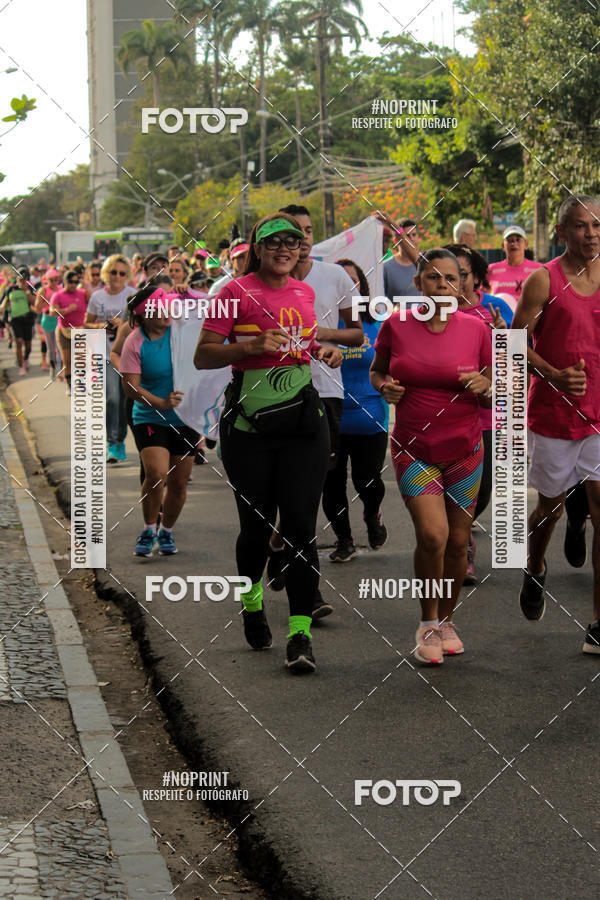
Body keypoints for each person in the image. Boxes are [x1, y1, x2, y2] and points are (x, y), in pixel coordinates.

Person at [194, 212, 342, 673]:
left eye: (293, 242)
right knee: (255, 529)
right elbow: (203, 355)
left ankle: (299, 636)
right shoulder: (230, 293)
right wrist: (250, 347)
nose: (284, 249)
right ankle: (253, 602)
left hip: (302, 421)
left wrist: (324, 350)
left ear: (301, 249)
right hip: (249, 428)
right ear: (257, 248)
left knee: (300, 528)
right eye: (274, 242)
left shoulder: (305, 292)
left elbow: (302, 344)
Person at [371, 248, 492, 665]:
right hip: (414, 449)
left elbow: (497, 381)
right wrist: (385, 386)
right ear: (417, 283)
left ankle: (447, 622)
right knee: (434, 536)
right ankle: (426, 621)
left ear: (464, 285)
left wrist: (485, 384)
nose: (443, 285)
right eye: (434, 277)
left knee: (459, 543)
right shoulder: (396, 324)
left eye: (451, 278)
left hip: (465, 451)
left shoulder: (476, 328)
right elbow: (378, 370)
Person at [265, 204, 363, 615]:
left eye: (306, 231)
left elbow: (357, 333)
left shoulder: (336, 276)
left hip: (326, 392)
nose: (301, 239)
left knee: (312, 487)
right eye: (291, 233)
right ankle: (276, 544)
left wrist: (322, 335)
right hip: (276, 394)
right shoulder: (259, 284)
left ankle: (309, 590)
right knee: (289, 492)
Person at [512, 194, 600, 654]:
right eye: (581, 226)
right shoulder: (542, 279)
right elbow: (513, 342)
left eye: (597, 225)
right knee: (551, 507)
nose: (591, 234)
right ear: (561, 232)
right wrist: (551, 372)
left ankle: (598, 623)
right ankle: (535, 565)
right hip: (554, 414)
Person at [443, 244, 514, 583]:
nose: (455, 282)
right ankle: (461, 549)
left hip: (489, 413)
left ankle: (460, 529)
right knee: (456, 488)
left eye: (462, 275)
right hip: (446, 414)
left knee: (482, 490)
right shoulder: (433, 311)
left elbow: (518, 356)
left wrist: (504, 334)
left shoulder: (494, 307)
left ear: (475, 277)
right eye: (448, 275)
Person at [120, 284, 199, 558]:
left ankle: (166, 531)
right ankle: (148, 528)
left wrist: (188, 293)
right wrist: (161, 403)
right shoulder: (135, 341)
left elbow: (210, 307)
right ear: (143, 315)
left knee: (179, 482)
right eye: (158, 308)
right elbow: (130, 388)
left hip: (186, 416)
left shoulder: (182, 329)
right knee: (156, 475)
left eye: (168, 305)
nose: (166, 311)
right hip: (149, 415)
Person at [325, 259, 389, 562]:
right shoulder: (321, 323)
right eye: (342, 281)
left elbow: (394, 362)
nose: (348, 287)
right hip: (329, 419)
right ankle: (344, 540)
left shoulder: (377, 324)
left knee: (369, 481)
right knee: (332, 483)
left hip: (370, 418)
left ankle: (372, 514)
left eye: (354, 281)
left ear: (362, 287)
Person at [85, 254, 136, 463]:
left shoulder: (133, 294)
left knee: (125, 402)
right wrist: (100, 326)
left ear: (127, 276)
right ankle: (113, 444)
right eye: (113, 272)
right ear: (106, 273)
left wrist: (124, 326)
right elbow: (86, 323)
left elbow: (142, 322)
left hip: (130, 356)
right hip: (105, 355)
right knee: (112, 399)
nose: (117, 276)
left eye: (122, 273)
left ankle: (121, 440)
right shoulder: (97, 297)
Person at [50, 270, 87, 395]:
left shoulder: (82, 293)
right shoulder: (58, 295)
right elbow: (52, 312)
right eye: (71, 282)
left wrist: (86, 285)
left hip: (79, 330)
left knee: (80, 359)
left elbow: (93, 302)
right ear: (65, 281)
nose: (73, 284)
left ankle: (81, 383)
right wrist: (67, 310)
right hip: (63, 331)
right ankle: (70, 386)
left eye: (76, 282)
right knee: (67, 361)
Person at [487, 225, 542, 311]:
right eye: (510, 240)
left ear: (526, 244)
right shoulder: (491, 270)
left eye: (518, 240)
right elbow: (483, 297)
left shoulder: (538, 269)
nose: (514, 243)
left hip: (529, 320)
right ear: (502, 245)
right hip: (500, 321)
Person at [0, 267, 36, 375]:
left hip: (27, 319)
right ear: (16, 278)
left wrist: (28, 293)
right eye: (21, 279)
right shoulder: (10, 289)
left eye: (25, 279)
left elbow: (34, 303)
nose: (23, 281)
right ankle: (21, 366)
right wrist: (2, 309)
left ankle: (25, 359)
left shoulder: (29, 289)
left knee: (28, 346)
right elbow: (4, 303)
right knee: (19, 342)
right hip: (15, 319)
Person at [383, 217, 422, 306]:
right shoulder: (386, 268)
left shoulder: (427, 263)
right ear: (396, 241)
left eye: (414, 234)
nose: (412, 239)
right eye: (407, 236)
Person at [34, 268, 62, 380]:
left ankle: (61, 369)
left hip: (59, 320)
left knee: (60, 347)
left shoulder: (61, 289)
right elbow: (37, 309)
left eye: (56, 279)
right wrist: (44, 299)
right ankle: (52, 368)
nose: (54, 282)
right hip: (47, 321)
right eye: (51, 280)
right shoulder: (43, 291)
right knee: (51, 348)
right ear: (47, 280)